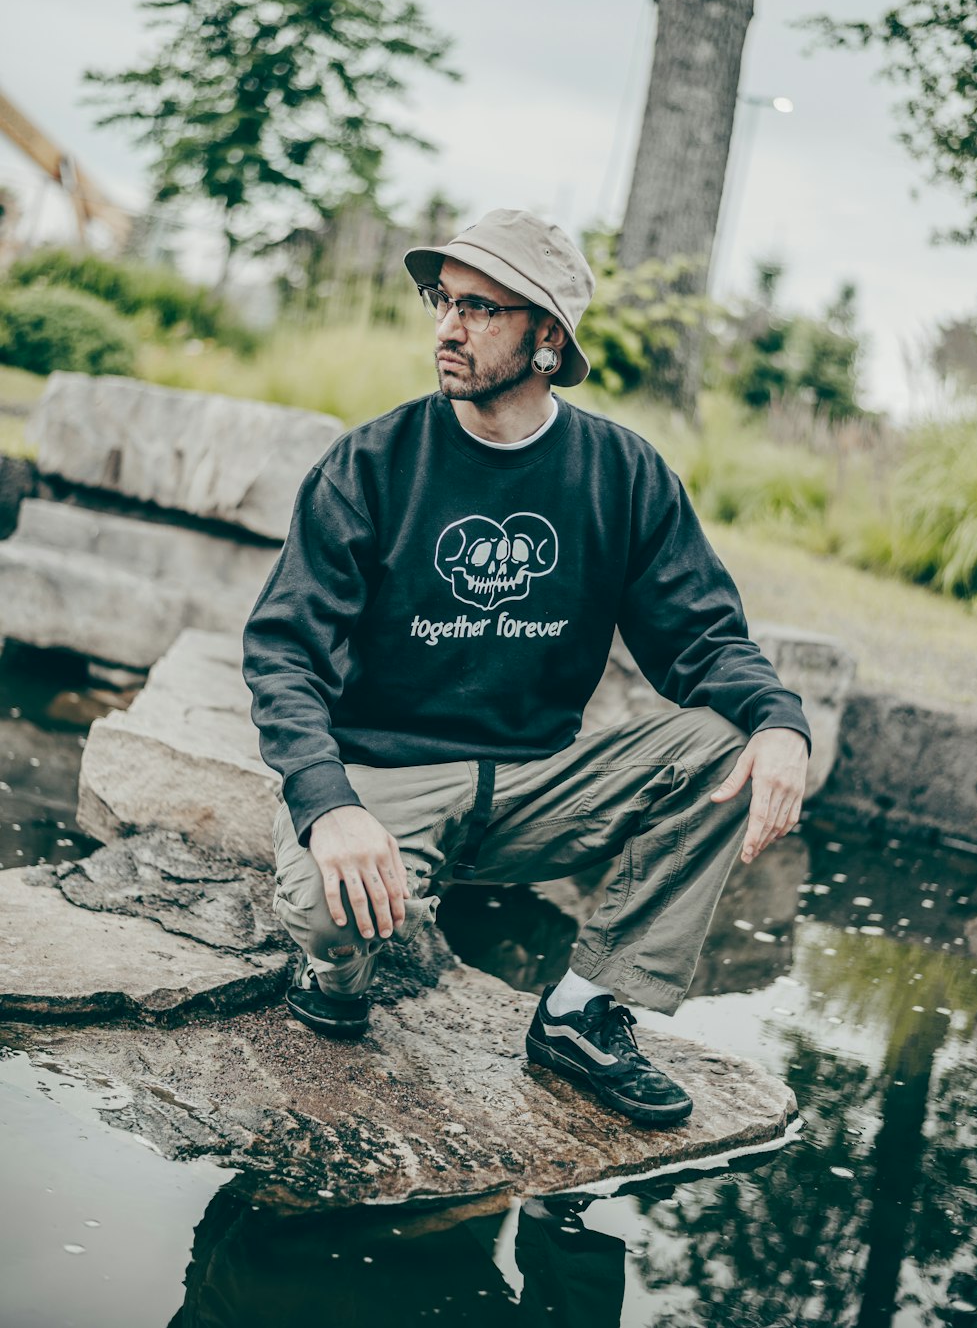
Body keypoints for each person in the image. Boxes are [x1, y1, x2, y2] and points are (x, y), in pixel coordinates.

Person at [242, 207, 811, 1129]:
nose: (446, 328)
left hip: (538, 784)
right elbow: (283, 649)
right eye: (440, 300)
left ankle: (585, 1011)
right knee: (330, 917)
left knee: (728, 744)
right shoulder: (374, 463)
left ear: (548, 336)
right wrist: (328, 802)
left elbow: (703, 639)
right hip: (386, 778)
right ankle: (336, 962)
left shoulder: (620, 473)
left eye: (478, 308)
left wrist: (780, 722)